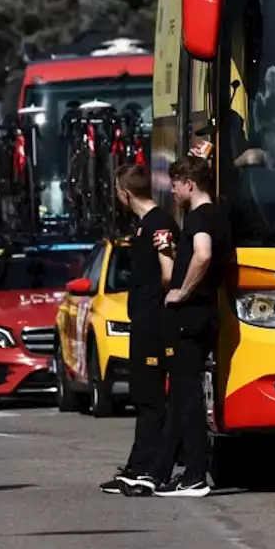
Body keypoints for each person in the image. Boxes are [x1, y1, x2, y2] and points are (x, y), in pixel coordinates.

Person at [130, 156, 230, 498]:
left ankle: (195, 475)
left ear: (190, 182)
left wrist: (180, 293)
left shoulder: (200, 218)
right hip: (204, 315)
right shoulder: (216, 216)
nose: (171, 190)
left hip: (190, 317)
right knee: (181, 398)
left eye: (175, 183)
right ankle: (165, 471)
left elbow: (202, 255)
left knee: (186, 397)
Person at [100, 164, 180, 495]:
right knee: (142, 394)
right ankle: (138, 462)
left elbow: (168, 270)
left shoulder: (159, 224)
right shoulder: (145, 225)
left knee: (150, 398)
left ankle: (149, 467)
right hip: (143, 321)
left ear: (124, 193)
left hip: (153, 322)